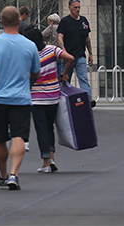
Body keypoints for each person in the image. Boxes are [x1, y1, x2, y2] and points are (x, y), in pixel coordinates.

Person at [0, 6, 40, 191]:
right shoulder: (29, 45)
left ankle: (3, 174)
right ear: (19, 21)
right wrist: (28, 84)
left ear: (2, 22)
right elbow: (36, 72)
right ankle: (14, 174)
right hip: (21, 98)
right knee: (19, 136)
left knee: (0, 138)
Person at [23, 27, 74, 174]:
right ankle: (51, 157)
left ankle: (46, 161)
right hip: (53, 96)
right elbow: (70, 58)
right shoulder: (52, 50)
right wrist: (64, 73)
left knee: (41, 130)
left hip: (36, 98)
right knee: (50, 127)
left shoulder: (29, 56)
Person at [57, 0, 95, 106]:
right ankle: (63, 99)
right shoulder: (65, 21)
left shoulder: (83, 21)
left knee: (83, 78)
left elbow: (87, 38)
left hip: (80, 55)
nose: (77, 9)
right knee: (65, 78)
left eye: (79, 7)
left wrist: (90, 54)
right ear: (69, 8)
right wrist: (63, 52)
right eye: (75, 8)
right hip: (68, 57)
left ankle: (88, 99)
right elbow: (60, 37)